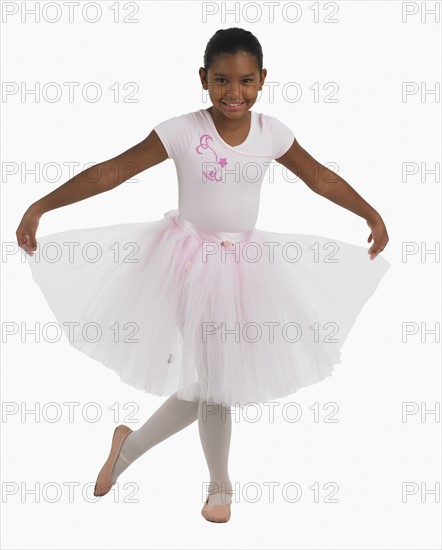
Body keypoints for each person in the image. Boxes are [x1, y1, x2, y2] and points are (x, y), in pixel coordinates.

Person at [16, 27, 390, 523]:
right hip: (187, 264)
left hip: (246, 269)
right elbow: (112, 172)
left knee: (214, 382)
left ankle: (128, 449)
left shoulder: (272, 133)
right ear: (203, 79)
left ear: (262, 80)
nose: (233, 93)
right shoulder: (182, 130)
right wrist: (41, 206)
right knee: (217, 383)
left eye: (245, 81)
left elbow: (318, 176)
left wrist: (370, 213)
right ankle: (219, 485)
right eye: (221, 80)